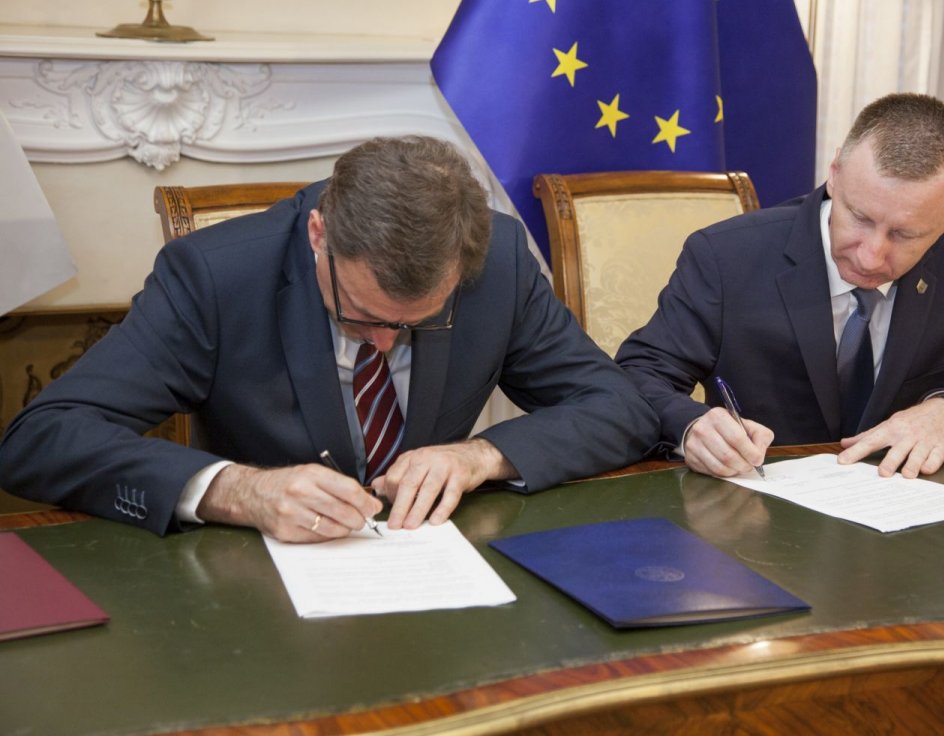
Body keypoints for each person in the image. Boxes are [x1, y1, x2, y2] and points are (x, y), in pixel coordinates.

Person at [0, 136, 658, 541]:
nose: (382, 344)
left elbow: (619, 408)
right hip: (254, 595)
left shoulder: (500, 263)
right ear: (318, 234)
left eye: (415, 323)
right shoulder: (215, 277)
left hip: (434, 572)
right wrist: (238, 491)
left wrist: (480, 456)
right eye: (359, 314)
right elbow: (41, 439)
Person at [616, 93, 944, 479]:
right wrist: (692, 425)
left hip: (907, 519)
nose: (871, 256)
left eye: (905, 235)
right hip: (759, 514)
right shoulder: (727, 257)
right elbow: (638, 375)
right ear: (835, 173)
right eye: (860, 217)